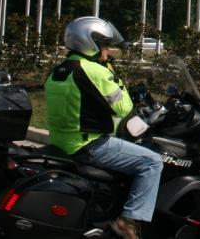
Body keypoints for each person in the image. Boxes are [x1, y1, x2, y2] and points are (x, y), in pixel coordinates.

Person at [45, 16, 163, 239]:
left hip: (61, 143)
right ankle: (128, 221)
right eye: (105, 45)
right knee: (152, 162)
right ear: (92, 43)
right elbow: (123, 107)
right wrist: (112, 75)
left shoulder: (59, 70)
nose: (108, 50)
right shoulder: (95, 71)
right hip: (89, 145)